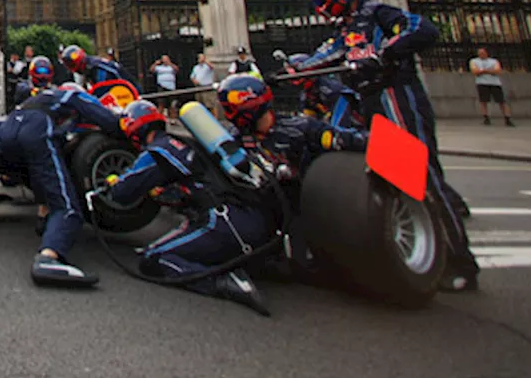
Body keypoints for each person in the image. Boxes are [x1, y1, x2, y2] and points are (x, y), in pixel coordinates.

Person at [296, 0, 479, 293]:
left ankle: (460, 262)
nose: (320, 9)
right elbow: (324, 57)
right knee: (395, 176)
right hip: (369, 102)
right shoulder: (346, 29)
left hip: (397, 93)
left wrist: (388, 51)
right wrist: (296, 70)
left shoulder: (376, 13)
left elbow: (422, 29)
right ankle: (423, 251)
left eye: (323, 1)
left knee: (421, 174)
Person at [106, 100, 273, 316]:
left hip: (224, 223)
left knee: (153, 259)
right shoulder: (187, 142)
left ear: (134, 130)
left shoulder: (159, 151)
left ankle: (224, 282)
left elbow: (123, 193)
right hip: (254, 217)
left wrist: (113, 182)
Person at [0, 81, 123, 287]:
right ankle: (49, 257)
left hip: (7, 130)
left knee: (39, 173)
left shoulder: (39, 98)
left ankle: (43, 216)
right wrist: (125, 127)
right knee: (67, 207)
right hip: (35, 129)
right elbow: (107, 120)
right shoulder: (71, 95)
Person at [218, 74, 366, 180]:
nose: (228, 115)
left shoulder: (301, 128)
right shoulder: (230, 139)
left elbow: (349, 139)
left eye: (229, 109)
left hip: (306, 207)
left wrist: (378, 142)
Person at [470, 47, 514, 127]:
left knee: (501, 101)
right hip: (482, 83)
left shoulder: (493, 61)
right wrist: (489, 71)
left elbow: (497, 70)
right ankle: (486, 117)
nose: (481, 54)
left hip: (495, 83)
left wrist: (483, 71)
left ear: (486, 53)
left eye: (482, 53)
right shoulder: (474, 61)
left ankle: (507, 118)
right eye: (479, 53)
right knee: (483, 101)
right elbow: (475, 71)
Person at [60, 44, 131, 92]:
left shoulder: (95, 67)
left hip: (127, 94)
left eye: (70, 64)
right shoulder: (88, 68)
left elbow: (101, 89)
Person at [149, 54, 180, 121]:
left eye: (166, 59)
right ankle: (158, 119)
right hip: (162, 86)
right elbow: (151, 70)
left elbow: (177, 69)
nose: (165, 60)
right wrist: (155, 63)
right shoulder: (159, 67)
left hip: (171, 87)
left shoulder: (171, 67)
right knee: (161, 103)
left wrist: (170, 63)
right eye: (164, 59)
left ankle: (172, 119)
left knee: (172, 104)